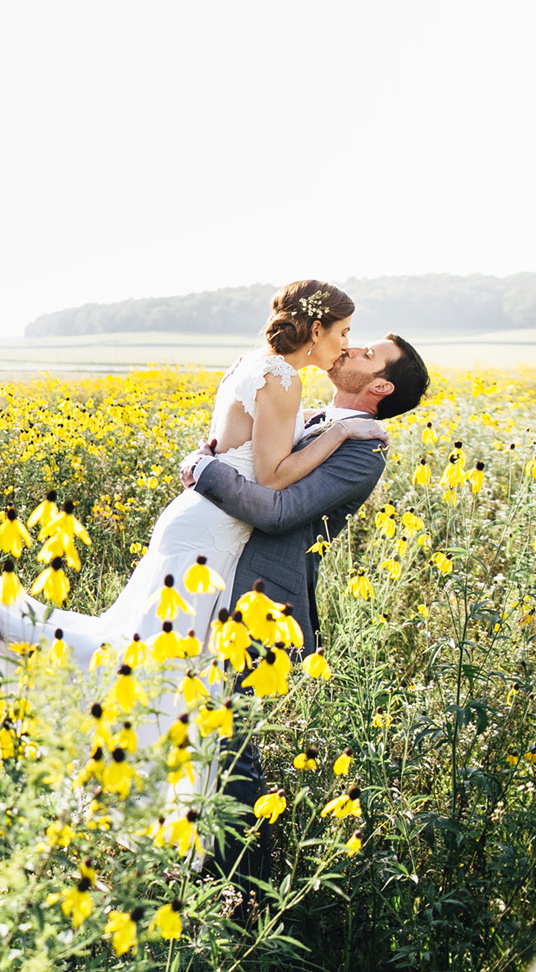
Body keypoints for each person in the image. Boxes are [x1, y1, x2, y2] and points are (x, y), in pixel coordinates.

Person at [0, 280, 387, 796]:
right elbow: (271, 479)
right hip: (211, 533)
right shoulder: (282, 379)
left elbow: (244, 449)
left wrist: (319, 428)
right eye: (344, 332)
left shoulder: (256, 366)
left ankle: (157, 800)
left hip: (201, 521)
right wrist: (340, 432)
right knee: (143, 658)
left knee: (157, 661)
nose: (346, 344)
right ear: (315, 329)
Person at [179, 331, 430, 879]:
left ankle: (242, 886)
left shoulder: (365, 450)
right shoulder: (318, 418)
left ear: (381, 386)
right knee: (196, 722)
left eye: (367, 354)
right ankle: (196, 861)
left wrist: (206, 471)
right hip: (218, 576)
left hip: (262, 601)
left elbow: (278, 512)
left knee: (231, 741)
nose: (352, 348)